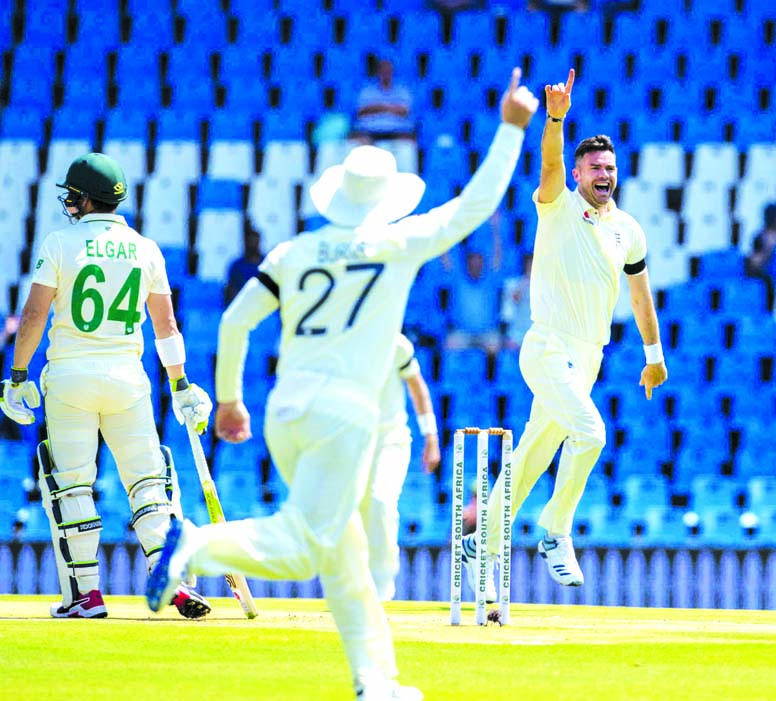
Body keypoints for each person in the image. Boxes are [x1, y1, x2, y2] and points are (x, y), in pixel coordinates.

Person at [145, 68, 538, 701]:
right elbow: (475, 208)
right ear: (387, 202)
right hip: (345, 416)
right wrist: (513, 129)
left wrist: (228, 399)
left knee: (345, 557)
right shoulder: (397, 242)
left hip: (285, 411)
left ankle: (375, 682)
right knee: (305, 548)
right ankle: (193, 544)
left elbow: (234, 320)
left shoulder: (295, 251)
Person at [461, 69, 667, 598]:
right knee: (591, 434)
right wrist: (555, 118)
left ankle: (483, 533)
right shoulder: (557, 203)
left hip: (589, 356)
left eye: (611, 167)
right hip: (547, 346)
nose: (604, 174)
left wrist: (653, 353)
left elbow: (640, 295)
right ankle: (555, 531)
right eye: (595, 167)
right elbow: (549, 159)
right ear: (578, 174)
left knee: (533, 450)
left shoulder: (628, 230)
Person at [0, 153, 213, 619]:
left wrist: (16, 377)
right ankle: (173, 579)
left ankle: (85, 595)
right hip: (127, 379)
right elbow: (167, 325)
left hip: (71, 379)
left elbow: (35, 315)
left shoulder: (60, 242)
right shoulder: (146, 247)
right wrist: (179, 384)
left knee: (71, 486)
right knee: (150, 483)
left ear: (82, 197)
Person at [359, 333, 440, 601]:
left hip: (391, 440)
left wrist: (431, 436)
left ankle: (382, 590)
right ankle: (355, 587)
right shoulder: (340, 339)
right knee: (356, 515)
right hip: (353, 444)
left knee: (381, 500)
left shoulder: (396, 344)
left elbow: (417, 388)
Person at [444, 250, 503, 354]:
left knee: (496, 347)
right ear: (467, 265)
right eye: (473, 264)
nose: (476, 266)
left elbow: (497, 258)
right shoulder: (458, 280)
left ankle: (489, 370)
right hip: (462, 332)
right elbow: (446, 262)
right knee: (449, 345)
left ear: (483, 265)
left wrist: (496, 233)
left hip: (487, 333)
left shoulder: (490, 280)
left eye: (478, 264)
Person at [352, 58, 416, 144]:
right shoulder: (367, 91)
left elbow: (404, 111)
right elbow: (361, 111)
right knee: (357, 138)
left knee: (408, 140)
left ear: (392, 73)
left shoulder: (402, 91)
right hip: (370, 130)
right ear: (378, 72)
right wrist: (391, 108)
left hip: (397, 130)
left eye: (388, 71)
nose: (386, 74)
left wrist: (378, 107)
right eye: (383, 71)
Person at [500, 252, 533, 348]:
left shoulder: (544, 285)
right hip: (517, 330)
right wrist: (526, 280)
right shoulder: (515, 283)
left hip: (535, 330)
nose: (531, 267)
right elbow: (514, 299)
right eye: (529, 264)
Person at [224, 227, 265, 306]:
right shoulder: (236, 265)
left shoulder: (268, 263)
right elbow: (230, 289)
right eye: (250, 242)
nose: (252, 245)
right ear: (245, 243)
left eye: (255, 242)